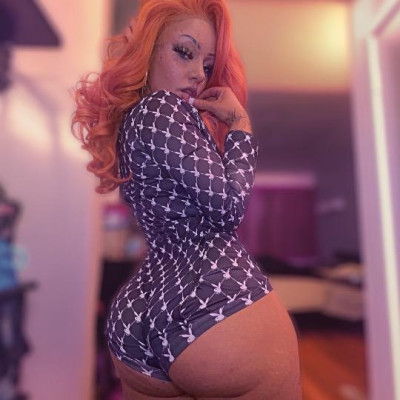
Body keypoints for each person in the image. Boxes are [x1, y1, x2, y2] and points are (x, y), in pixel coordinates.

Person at [72, 0, 301, 398]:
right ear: (148, 50)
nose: (198, 74)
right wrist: (240, 125)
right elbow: (228, 208)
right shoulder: (162, 108)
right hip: (213, 297)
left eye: (208, 65)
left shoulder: (132, 121)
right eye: (184, 52)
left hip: (138, 315)